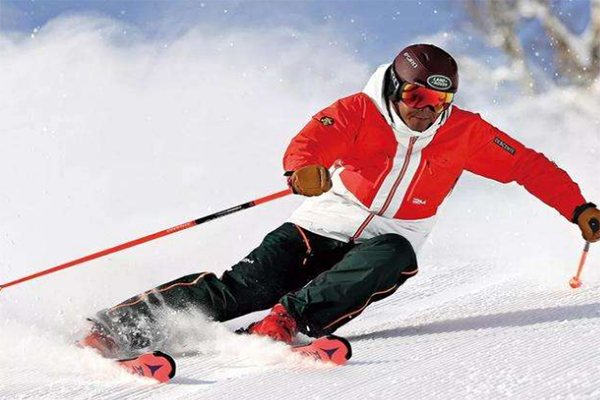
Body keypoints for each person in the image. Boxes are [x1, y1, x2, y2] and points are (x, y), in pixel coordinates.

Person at [81, 44, 600, 358]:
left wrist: (577, 208)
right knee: (244, 287)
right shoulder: (359, 111)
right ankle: (115, 329)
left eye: (440, 100)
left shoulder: (466, 132)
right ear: (396, 86)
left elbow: (529, 165)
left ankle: (284, 322)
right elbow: (311, 143)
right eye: (416, 96)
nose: (426, 110)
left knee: (397, 254)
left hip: (389, 236)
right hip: (322, 222)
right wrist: (302, 170)